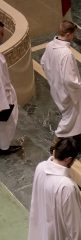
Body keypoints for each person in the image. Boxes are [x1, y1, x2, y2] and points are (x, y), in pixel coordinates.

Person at [41, 20, 81, 152]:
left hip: (56, 87)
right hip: (68, 91)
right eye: (73, 34)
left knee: (76, 114)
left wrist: (52, 78)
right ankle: (57, 140)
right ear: (68, 34)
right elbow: (69, 79)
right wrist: (80, 86)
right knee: (70, 116)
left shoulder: (50, 45)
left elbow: (43, 63)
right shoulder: (66, 53)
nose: (73, 37)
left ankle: (76, 136)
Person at [28, 137, 81, 240]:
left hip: (40, 231)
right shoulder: (66, 186)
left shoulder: (41, 167)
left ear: (54, 152)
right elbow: (74, 225)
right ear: (69, 159)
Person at [0, 21, 22, 155]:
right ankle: (3, 147)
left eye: (2, 33)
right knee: (6, 125)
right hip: (3, 100)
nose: (2, 36)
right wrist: (3, 105)